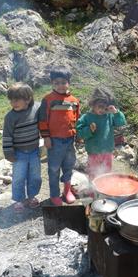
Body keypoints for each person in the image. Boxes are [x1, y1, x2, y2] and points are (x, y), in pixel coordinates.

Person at [39, 67, 80, 206]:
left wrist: (77, 136)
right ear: (52, 83)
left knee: (69, 166)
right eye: (56, 83)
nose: (60, 86)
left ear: (69, 82)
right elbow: (42, 120)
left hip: (70, 140)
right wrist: (46, 137)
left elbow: (76, 119)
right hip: (55, 141)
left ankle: (67, 191)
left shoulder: (74, 101)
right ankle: (54, 194)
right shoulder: (48, 100)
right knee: (54, 169)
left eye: (63, 82)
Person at [2, 82, 42, 212]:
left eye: (17, 99)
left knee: (35, 176)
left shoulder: (36, 109)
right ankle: (19, 199)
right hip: (19, 154)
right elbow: (7, 136)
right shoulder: (10, 117)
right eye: (11, 100)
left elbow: (48, 110)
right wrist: (8, 153)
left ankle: (31, 196)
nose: (13, 103)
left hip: (35, 151)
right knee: (19, 177)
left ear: (28, 99)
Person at [76, 87, 126, 180]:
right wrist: (89, 130)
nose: (102, 110)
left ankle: (104, 192)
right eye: (100, 106)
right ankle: (92, 192)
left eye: (105, 107)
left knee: (106, 175)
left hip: (107, 152)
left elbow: (121, 123)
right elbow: (79, 133)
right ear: (93, 104)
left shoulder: (109, 115)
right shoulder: (86, 117)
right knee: (93, 174)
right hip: (93, 153)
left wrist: (116, 112)